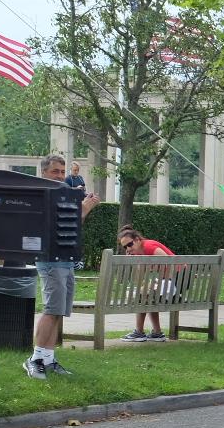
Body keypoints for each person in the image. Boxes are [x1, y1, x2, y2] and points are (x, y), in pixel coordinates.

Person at [24, 153, 101, 379]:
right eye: (54, 171)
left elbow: (71, 226)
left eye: (61, 171)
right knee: (51, 309)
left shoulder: (62, 193)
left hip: (65, 258)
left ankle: (48, 358)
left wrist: (82, 210)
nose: (59, 176)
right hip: (50, 259)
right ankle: (35, 359)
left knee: (59, 310)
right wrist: (84, 209)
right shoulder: (41, 194)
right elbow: (50, 226)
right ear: (44, 172)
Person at [115, 228, 176, 341]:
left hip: (177, 280)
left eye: (130, 244)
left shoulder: (149, 247)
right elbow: (140, 280)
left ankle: (139, 332)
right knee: (146, 292)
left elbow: (169, 262)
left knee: (143, 294)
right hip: (174, 281)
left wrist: (160, 281)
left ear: (137, 240)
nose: (128, 249)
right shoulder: (139, 253)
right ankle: (157, 333)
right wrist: (134, 261)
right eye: (125, 247)